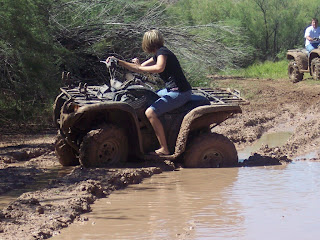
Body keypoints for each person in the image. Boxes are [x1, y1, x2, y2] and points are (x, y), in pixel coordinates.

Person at [106, 29, 192, 156]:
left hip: (180, 92)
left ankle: (164, 148)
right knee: (150, 96)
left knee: (150, 112)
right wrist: (119, 62)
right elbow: (139, 69)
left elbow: (159, 67)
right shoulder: (158, 54)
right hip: (171, 90)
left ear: (148, 42)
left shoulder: (163, 52)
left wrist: (139, 67)